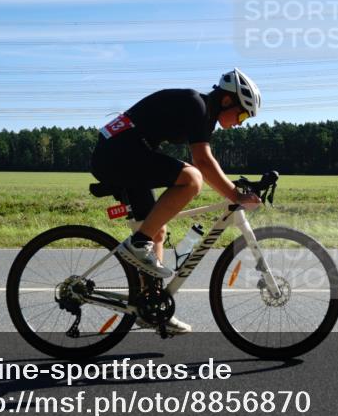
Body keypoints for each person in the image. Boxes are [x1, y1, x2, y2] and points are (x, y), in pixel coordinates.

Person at [90, 69, 262, 334]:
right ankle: (137, 244)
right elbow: (202, 162)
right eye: (242, 115)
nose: (241, 122)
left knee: (156, 230)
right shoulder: (197, 105)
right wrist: (235, 195)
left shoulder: (204, 114)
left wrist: (233, 187)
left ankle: (152, 309)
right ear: (227, 101)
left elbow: (208, 158)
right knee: (192, 179)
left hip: (124, 152)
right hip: (117, 154)